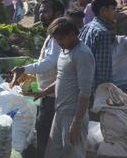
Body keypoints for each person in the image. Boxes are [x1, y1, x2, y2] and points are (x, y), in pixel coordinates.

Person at [11, 0, 65, 158]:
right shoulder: (52, 34)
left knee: (44, 132)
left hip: (52, 96)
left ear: (58, 13)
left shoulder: (57, 36)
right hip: (45, 93)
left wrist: (24, 69)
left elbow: (50, 63)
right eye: (40, 11)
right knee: (41, 129)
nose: (41, 15)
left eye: (46, 12)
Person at [35, 17, 94, 158]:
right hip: (60, 113)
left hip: (73, 115)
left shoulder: (82, 54)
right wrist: (44, 92)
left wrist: (77, 122)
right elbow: (62, 79)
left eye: (61, 39)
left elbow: (85, 92)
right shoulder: (64, 51)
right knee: (53, 153)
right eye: (56, 39)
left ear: (73, 34)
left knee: (72, 153)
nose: (59, 43)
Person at [78, 0, 117, 91]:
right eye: (113, 9)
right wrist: (106, 90)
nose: (115, 12)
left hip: (82, 82)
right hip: (95, 88)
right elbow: (104, 69)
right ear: (103, 10)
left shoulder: (87, 27)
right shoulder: (103, 33)